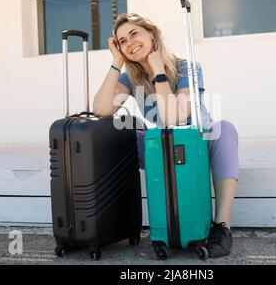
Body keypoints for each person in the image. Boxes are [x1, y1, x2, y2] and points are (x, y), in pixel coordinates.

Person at [93, 13, 239, 258]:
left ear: (152, 34)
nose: (129, 43)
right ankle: (119, 223)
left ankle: (222, 227)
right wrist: (116, 62)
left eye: (134, 34)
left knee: (224, 129)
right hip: (162, 148)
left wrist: (159, 69)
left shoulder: (186, 66)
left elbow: (177, 117)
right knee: (122, 135)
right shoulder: (130, 78)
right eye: (122, 41)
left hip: (197, 144)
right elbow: (101, 109)